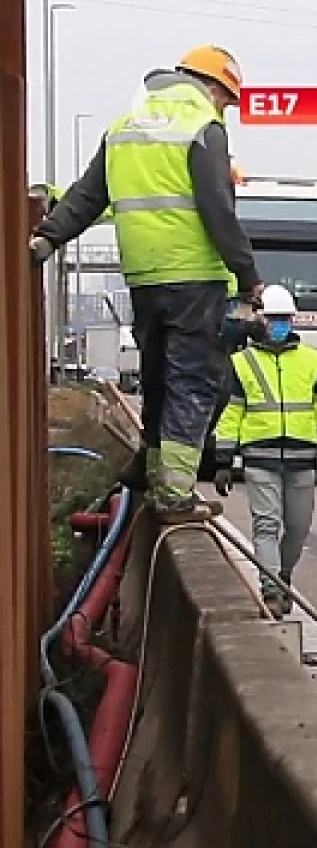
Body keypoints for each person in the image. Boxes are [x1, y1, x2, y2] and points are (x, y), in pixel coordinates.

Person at [30, 45, 263, 523]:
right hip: (195, 276)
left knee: (158, 377)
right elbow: (218, 210)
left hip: (143, 276)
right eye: (228, 99)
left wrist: (47, 238)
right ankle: (175, 494)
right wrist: (249, 277)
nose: (226, 109)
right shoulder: (203, 126)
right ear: (214, 86)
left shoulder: (124, 126)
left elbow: (88, 195)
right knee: (195, 382)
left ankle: (152, 472)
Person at [211, 285, 317, 616]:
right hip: (260, 458)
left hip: (302, 458)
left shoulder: (312, 361)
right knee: (267, 526)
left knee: (298, 528)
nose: (279, 325)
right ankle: (272, 591)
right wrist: (223, 459)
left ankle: (282, 575)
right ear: (260, 321)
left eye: (284, 319)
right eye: (273, 319)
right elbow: (231, 413)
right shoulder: (242, 363)